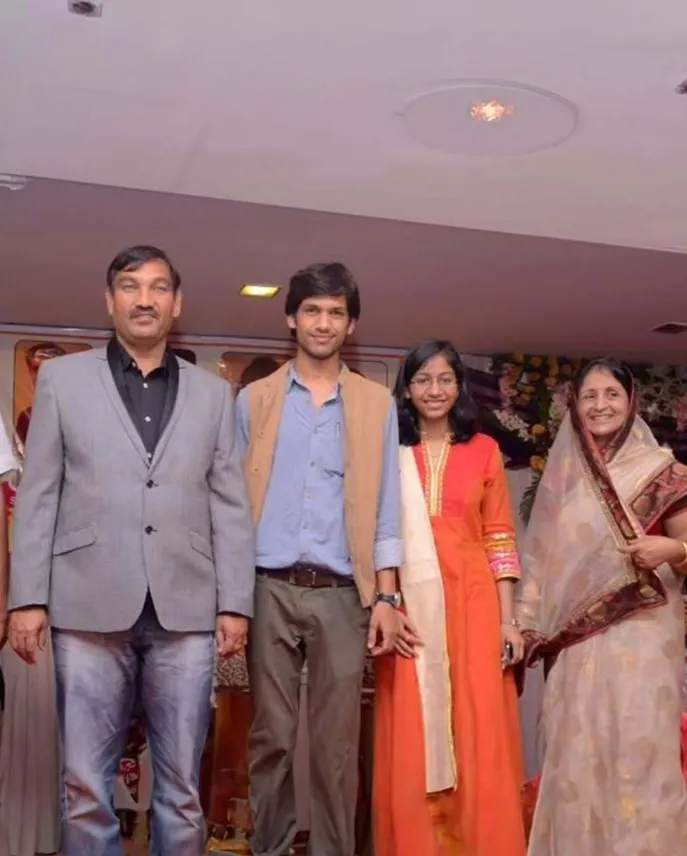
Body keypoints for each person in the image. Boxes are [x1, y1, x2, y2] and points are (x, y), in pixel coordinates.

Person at [7, 245, 255, 856]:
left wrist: (236, 604)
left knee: (181, 789)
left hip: (188, 609)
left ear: (177, 303)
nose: (144, 299)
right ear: (109, 300)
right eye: (130, 286)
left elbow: (229, 503)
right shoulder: (63, 379)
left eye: (158, 287)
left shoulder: (212, 394)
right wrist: (27, 598)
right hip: (86, 603)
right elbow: (38, 493)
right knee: (86, 786)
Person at [236, 261, 403, 856]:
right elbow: (231, 503)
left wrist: (386, 596)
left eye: (336, 312)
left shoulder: (376, 403)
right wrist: (230, 599)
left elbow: (386, 507)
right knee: (271, 739)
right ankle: (270, 849)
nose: (323, 322)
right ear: (291, 318)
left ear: (351, 323)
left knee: (336, 748)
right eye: (312, 310)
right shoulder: (254, 400)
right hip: (266, 586)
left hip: (342, 595)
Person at [517, 358, 687, 855]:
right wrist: (525, 626)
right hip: (579, 646)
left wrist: (671, 551)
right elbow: (544, 568)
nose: (600, 405)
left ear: (631, 402)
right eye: (589, 396)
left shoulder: (665, 473)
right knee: (578, 752)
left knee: (638, 748)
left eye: (611, 394)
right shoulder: (564, 482)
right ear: (575, 405)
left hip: (646, 633)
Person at [373, 339, 526, 856]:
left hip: (474, 609)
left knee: (477, 729)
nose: (434, 390)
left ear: (459, 386)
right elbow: (376, 534)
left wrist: (508, 621)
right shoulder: (389, 450)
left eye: (444, 379)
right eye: (422, 380)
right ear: (407, 389)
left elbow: (500, 537)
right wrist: (388, 603)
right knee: (412, 728)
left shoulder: (483, 449)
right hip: (410, 611)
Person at [14, 342, 67, 446]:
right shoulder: (26, 418)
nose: (42, 374)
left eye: (50, 368)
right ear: (30, 372)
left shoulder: (80, 414)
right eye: (37, 369)